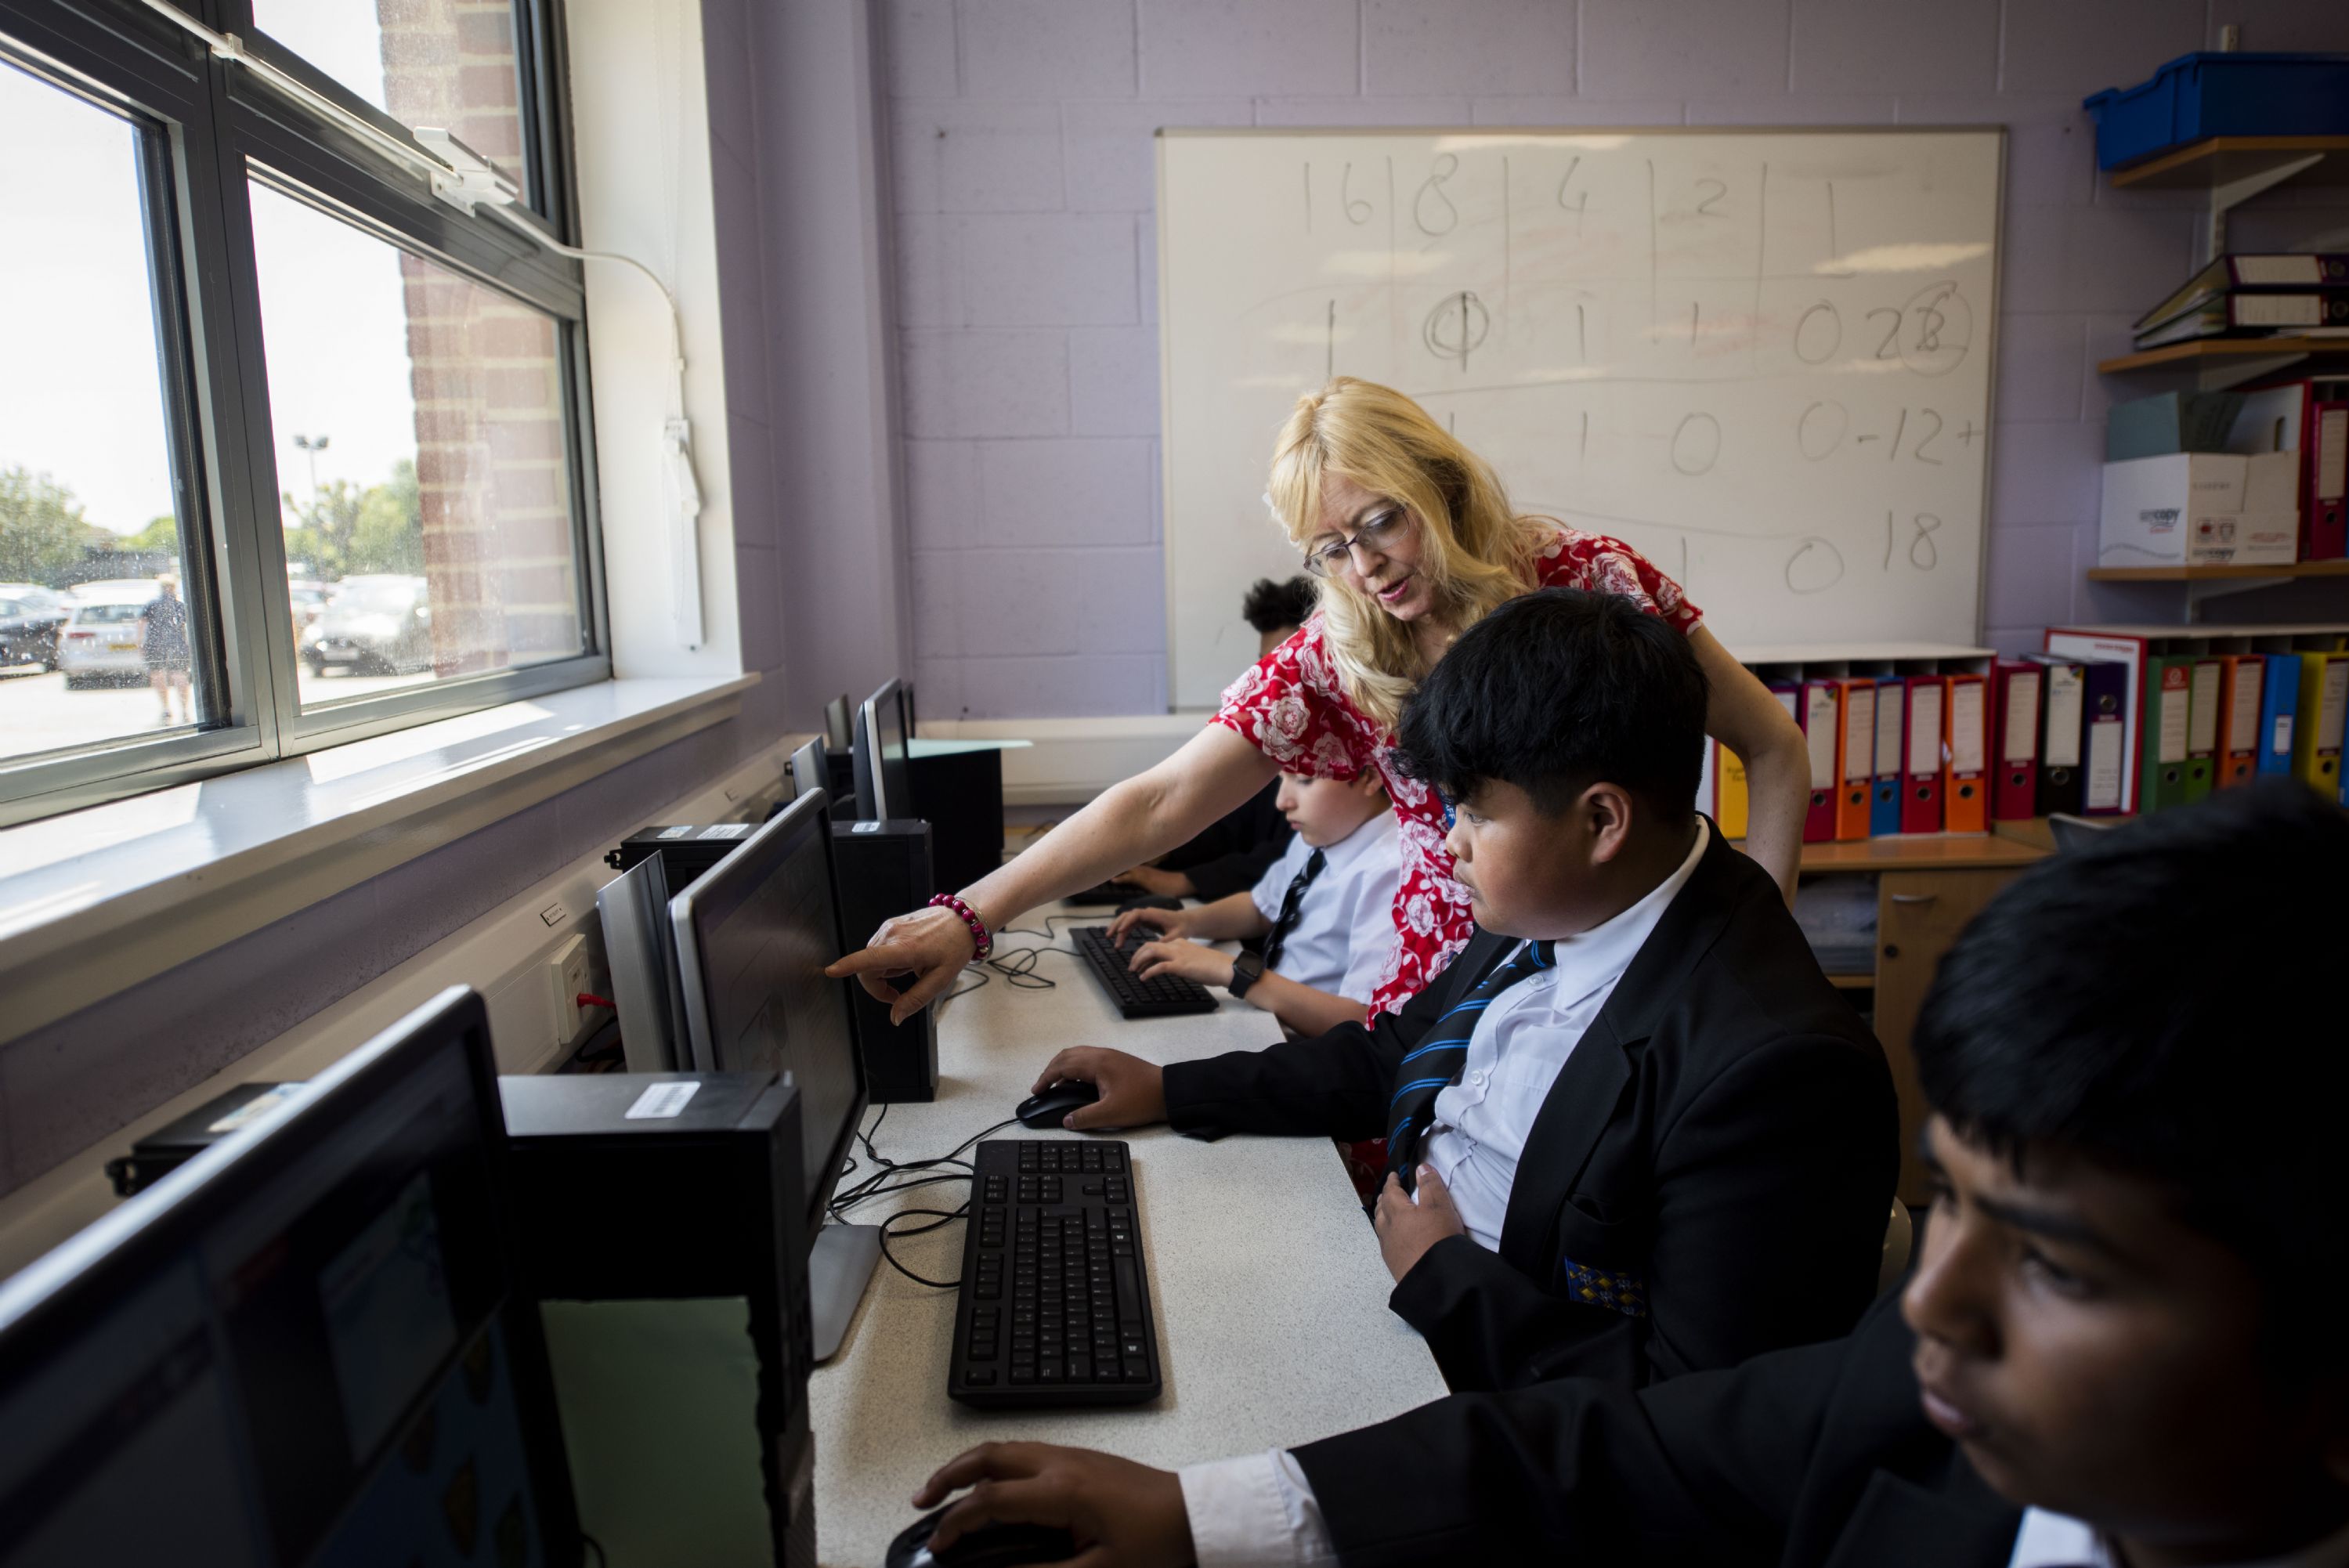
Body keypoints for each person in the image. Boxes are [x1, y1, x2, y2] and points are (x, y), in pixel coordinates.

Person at [909, 782, 2349, 1568]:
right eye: (1953, 1201)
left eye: (2054, 1263)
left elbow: (1659, 1383)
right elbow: (1649, 1454)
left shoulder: (1754, 1048)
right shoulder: (1919, 1401)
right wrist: (1194, 1513)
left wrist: (1449, 1284)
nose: (1928, 1304)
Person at [1032, 590, 1894, 1393]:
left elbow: (1701, 1406)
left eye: (1475, 814)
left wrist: (1444, 1280)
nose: (1449, 844)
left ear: (1600, 821)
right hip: (1400, 1285)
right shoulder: (1552, 902)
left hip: (1490, 1380)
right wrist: (1171, 1087)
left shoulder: (1779, 1070)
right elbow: (1392, 1052)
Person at [832, 378, 1809, 1028]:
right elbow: (1159, 801)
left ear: (1440, 481)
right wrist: (969, 915)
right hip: (1449, 991)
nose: (1365, 565)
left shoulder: (1586, 578)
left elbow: (1770, 746)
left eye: (1380, 521)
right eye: (1329, 550)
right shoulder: (1335, 653)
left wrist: (1756, 943)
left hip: (1642, 959)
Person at [1106, 765, 1400, 1039]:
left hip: (1311, 1046)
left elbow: (1363, 1020)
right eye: (1282, 777)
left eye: (1304, 780)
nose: (1282, 801)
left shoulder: (1391, 871)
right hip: (1270, 1014)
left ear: (1369, 777)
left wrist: (1233, 972)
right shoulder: (1327, 829)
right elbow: (1264, 907)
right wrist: (1187, 922)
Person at [1115, 576, 1317, 902]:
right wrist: (1163, 853)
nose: (1272, 681)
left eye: (1286, 667)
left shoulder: (1343, 757)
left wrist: (1185, 882)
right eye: (1265, 664)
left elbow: (1296, 853)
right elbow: (1230, 824)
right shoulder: (1272, 737)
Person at [138, 574, 190, 724]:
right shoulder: (180, 605)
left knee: (158, 676)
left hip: (155, 644)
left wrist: (139, 644)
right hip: (177, 644)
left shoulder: (152, 604)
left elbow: (141, 624)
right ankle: (184, 711)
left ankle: (166, 709)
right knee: (180, 676)